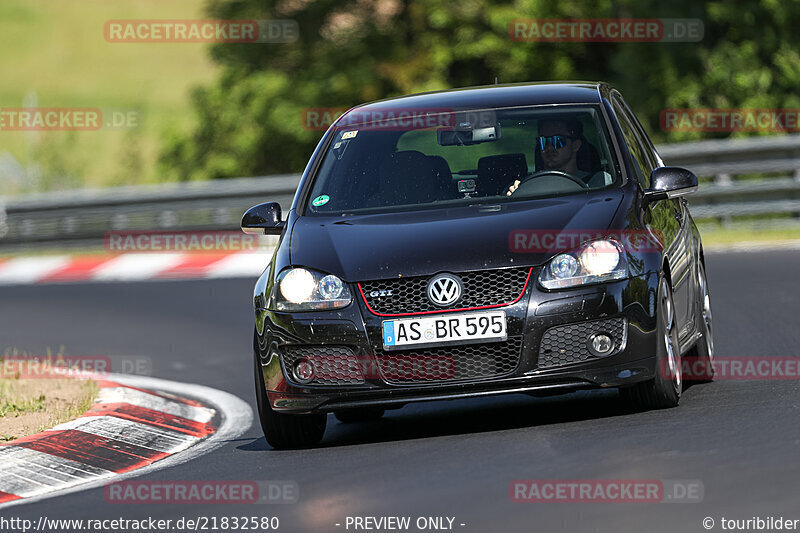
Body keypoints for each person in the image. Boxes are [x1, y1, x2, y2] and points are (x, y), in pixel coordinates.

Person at [506, 116, 610, 195]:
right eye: (544, 141)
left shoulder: (600, 182)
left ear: (575, 145)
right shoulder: (524, 185)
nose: (549, 147)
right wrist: (515, 197)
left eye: (558, 141)